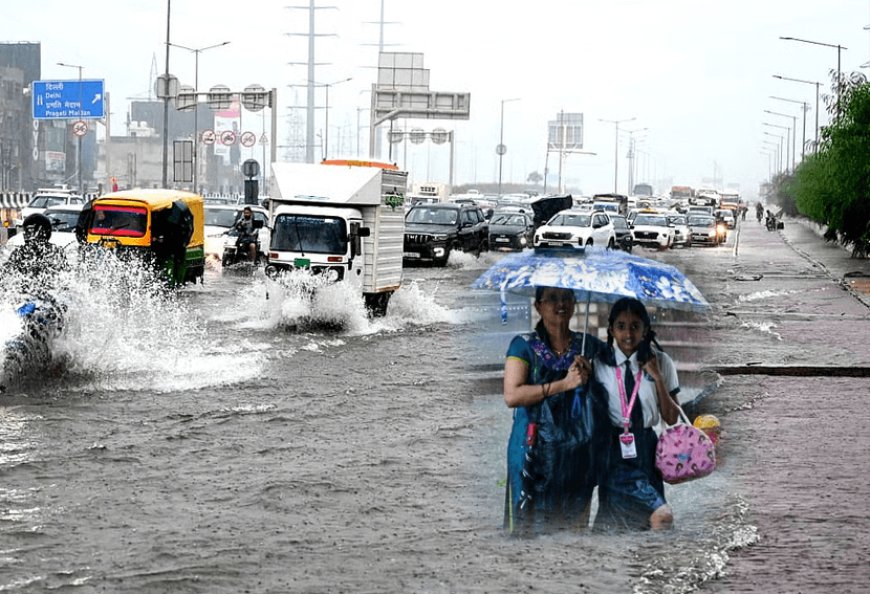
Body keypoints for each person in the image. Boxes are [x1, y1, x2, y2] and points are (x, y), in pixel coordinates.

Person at [502, 286, 605, 536]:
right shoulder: (522, 346)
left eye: (566, 298)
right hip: (533, 450)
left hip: (576, 451)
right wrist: (564, 384)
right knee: (528, 530)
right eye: (552, 299)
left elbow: (610, 395)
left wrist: (592, 377)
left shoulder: (588, 346)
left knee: (572, 532)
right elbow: (513, 395)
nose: (561, 304)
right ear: (538, 306)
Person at [592, 297, 681, 531]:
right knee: (660, 516)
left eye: (635, 326)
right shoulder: (599, 363)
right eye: (621, 326)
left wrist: (658, 378)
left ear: (645, 330)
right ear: (611, 329)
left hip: (648, 448)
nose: (628, 334)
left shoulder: (662, 361)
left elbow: (672, 418)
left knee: (638, 524)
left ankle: (645, 566)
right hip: (614, 450)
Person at [1, 213, 69, 297]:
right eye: (26, 231)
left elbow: (64, 281)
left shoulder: (56, 252)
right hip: (24, 298)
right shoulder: (19, 252)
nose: (26, 235)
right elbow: (5, 275)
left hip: (48, 298)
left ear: (43, 232)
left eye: (30, 231)